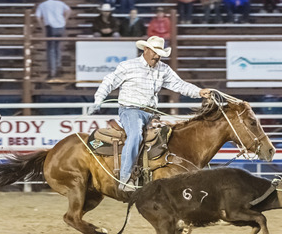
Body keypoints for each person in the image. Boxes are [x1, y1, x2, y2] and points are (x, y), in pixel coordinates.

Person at [88, 36, 211, 191]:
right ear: (145, 50)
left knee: (170, 137)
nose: (157, 56)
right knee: (135, 135)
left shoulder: (163, 69)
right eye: (154, 52)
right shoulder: (128, 66)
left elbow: (179, 84)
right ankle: (125, 179)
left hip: (151, 114)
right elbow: (109, 81)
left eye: (160, 53)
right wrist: (98, 99)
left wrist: (199, 92)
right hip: (130, 110)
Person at [35, 0, 71, 79]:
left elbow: (37, 17)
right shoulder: (59, 3)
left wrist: (42, 27)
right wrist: (64, 20)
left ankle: (52, 71)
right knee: (57, 48)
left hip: (50, 27)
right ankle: (58, 67)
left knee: (51, 49)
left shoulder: (42, 5)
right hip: (61, 26)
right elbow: (68, 10)